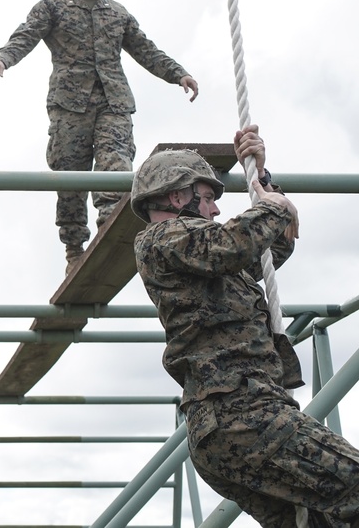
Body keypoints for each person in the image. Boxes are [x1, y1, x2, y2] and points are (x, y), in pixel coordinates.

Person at [131, 127, 359, 527]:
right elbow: (235, 242)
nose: (216, 209)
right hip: (243, 415)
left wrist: (263, 179)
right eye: (207, 198)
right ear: (176, 196)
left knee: (321, 521)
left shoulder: (201, 256)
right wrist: (275, 206)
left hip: (233, 423)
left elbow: (270, 248)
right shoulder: (162, 239)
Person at [0, 0, 199, 273]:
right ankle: (74, 248)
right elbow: (25, 35)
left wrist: (178, 74)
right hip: (69, 108)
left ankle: (109, 232)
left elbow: (145, 50)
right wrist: (3, 59)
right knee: (71, 179)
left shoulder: (117, 14)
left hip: (113, 104)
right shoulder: (53, 6)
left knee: (115, 167)